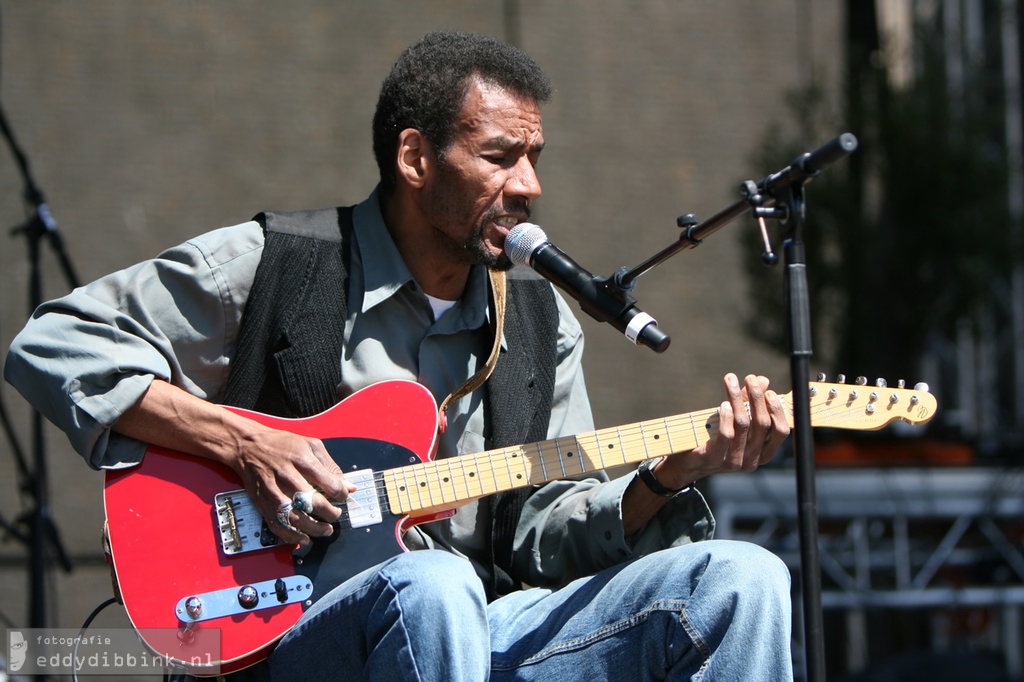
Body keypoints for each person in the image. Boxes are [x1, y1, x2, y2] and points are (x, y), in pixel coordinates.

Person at [4, 29, 794, 681]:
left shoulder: (542, 322)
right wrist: (244, 442)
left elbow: (546, 536)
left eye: (536, 158)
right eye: (499, 156)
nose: (529, 186)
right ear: (415, 158)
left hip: (483, 628)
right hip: (284, 633)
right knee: (432, 585)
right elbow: (53, 344)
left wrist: (669, 476)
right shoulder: (279, 261)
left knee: (742, 582)